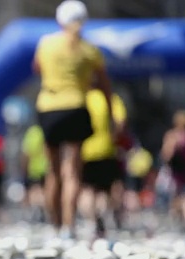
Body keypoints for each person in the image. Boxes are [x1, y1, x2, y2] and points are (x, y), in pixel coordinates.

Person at [33, 0, 113, 240]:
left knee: (53, 171)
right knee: (72, 172)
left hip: (48, 107)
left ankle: (54, 224)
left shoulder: (46, 44)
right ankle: (69, 226)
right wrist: (109, 114)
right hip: (76, 108)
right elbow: (105, 86)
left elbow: (36, 68)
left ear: (59, 20)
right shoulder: (89, 50)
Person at [79, 88, 127, 239]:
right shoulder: (111, 97)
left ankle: (92, 220)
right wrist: (114, 137)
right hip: (106, 149)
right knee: (108, 188)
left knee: (89, 189)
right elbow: (121, 122)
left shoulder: (84, 97)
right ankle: (105, 216)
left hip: (86, 151)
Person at [160, 109, 185, 230]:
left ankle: (184, 219)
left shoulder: (173, 135)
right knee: (183, 194)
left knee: (179, 195)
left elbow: (166, 154)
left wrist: (166, 162)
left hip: (175, 169)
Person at [21, 122, 48, 222]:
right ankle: (42, 212)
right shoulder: (45, 130)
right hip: (46, 166)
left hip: (33, 167)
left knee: (34, 191)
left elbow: (26, 152)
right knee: (44, 191)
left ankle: (36, 212)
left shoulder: (32, 133)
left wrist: (24, 168)